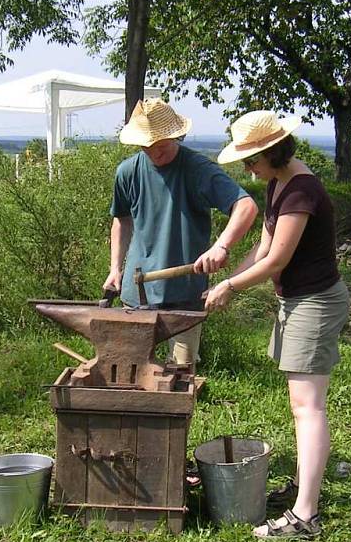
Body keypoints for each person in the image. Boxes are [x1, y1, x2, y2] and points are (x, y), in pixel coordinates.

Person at [205, 110, 350, 539]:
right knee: (301, 405)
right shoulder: (278, 184)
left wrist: (231, 287)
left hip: (315, 302)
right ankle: (306, 489)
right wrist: (223, 276)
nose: (248, 169)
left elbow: (277, 261)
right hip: (297, 302)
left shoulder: (302, 191)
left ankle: (305, 515)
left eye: (252, 160)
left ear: (273, 151)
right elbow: (263, 248)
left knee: (309, 407)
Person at [103, 98, 258, 365]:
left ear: (176, 136)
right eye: (146, 147)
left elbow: (245, 206)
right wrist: (115, 268)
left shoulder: (197, 170)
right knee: (132, 372)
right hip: (135, 294)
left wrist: (221, 246)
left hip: (184, 296)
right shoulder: (127, 172)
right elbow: (122, 220)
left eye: (160, 146)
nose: (154, 153)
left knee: (181, 375)